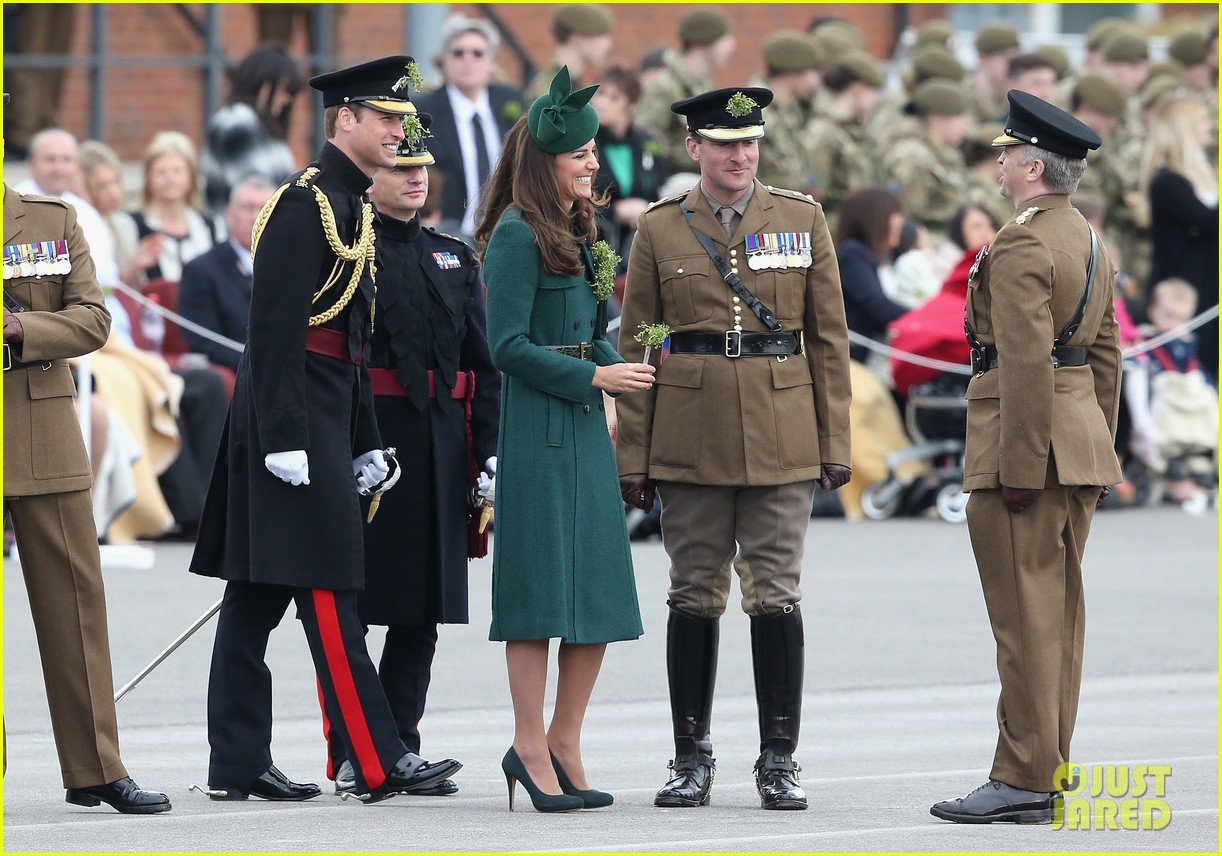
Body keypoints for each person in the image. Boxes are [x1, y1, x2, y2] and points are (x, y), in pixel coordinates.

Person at [187, 56, 460, 803]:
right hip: (289, 416)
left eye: (403, 121)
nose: (399, 133)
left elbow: (354, 339)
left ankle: (237, 761)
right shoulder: (302, 203)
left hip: (328, 411)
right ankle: (377, 758)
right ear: (346, 120)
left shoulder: (353, 206)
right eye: (388, 119)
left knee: (255, 594)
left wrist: (365, 437)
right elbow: (272, 330)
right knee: (333, 587)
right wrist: (283, 436)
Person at [616, 86, 852, 811]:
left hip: (782, 428)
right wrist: (634, 453)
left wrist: (834, 441)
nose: (739, 156)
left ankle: (779, 757)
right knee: (692, 591)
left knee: (776, 592)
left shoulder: (801, 217)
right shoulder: (662, 226)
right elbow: (642, 339)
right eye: (723, 144)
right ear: (695, 148)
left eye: (748, 143)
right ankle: (690, 755)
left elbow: (829, 339)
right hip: (690, 430)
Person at [931, 91, 1122, 824]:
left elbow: (1023, 363)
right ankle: (1047, 768)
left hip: (1026, 450)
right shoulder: (1089, 239)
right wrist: (1096, 449)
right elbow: (1104, 359)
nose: (1001, 164)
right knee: (1056, 619)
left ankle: (1023, 776)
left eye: (1009, 153)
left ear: (1034, 166)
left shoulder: (1021, 242)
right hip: (1074, 447)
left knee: (1023, 622)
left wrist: (1018, 467)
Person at [477, 66, 648, 812]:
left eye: (593, 152)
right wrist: (594, 378)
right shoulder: (516, 235)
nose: (592, 164)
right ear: (546, 161)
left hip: (581, 426)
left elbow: (586, 332)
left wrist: (624, 369)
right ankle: (527, 743)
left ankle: (565, 740)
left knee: (597, 591)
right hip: (538, 430)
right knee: (538, 595)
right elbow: (506, 346)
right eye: (579, 154)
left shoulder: (581, 229)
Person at [326, 111, 501, 798]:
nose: (415, 178)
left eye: (422, 168)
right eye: (402, 167)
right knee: (359, 605)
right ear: (372, 175)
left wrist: (490, 453)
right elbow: (342, 360)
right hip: (374, 438)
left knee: (423, 605)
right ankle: (354, 751)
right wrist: (354, 443)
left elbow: (483, 365)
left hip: (441, 440)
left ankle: (402, 743)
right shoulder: (349, 252)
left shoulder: (453, 255)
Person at [3, 114, 171, 813]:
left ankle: (96, 767)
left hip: (40, 425)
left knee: (75, 606)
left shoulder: (50, 220)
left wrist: (20, 325)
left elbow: (93, 319)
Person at [415, 14, 525, 239]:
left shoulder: (511, 102)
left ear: (491, 63)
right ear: (445, 61)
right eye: (458, 53)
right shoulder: (424, 110)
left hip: (504, 232)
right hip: (447, 232)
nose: (468, 60)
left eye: (477, 53)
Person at [1140, 91, 1217, 383]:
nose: (1210, 126)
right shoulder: (1167, 182)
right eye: (1203, 120)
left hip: (1208, 287)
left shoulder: (1201, 175)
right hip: (1185, 292)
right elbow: (1209, 222)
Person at [178, 177, 276, 372]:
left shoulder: (294, 264)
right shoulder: (201, 270)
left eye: (265, 208)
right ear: (230, 215)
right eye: (248, 208)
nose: (256, 217)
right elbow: (206, 342)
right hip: (242, 372)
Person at [201, 42, 303, 216]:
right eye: (285, 89)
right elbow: (258, 191)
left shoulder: (261, 128)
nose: (287, 99)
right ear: (264, 85)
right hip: (242, 227)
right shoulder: (237, 123)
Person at [15, 128, 122, 289]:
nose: (59, 168)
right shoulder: (11, 206)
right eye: (50, 159)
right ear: (31, 163)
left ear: (76, 166)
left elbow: (107, 275)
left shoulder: (86, 211)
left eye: (66, 160)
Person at [634, 7, 736, 173]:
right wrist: (667, 160)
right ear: (704, 39)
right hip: (675, 177)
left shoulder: (703, 86)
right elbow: (645, 137)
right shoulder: (665, 85)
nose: (732, 45)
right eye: (724, 37)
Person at [592, 66, 670, 269]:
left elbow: (660, 189)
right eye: (600, 94)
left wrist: (645, 208)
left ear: (631, 106)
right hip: (598, 238)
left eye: (614, 98)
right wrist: (615, 210)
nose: (602, 103)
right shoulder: (586, 143)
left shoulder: (647, 143)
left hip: (641, 241)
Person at [129, 132, 222, 286]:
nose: (169, 177)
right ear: (148, 178)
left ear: (191, 177)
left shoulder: (212, 227)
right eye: (161, 171)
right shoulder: (131, 225)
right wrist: (135, 267)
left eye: (177, 170)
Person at [881, 80, 970, 238]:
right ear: (935, 117)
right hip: (924, 242)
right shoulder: (911, 156)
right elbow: (907, 216)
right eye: (957, 117)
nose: (964, 125)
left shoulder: (948, 153)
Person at [805, 50, 884, 222]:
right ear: (860, 87)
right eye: (873, 91)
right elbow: (813, 195)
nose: (876, 99)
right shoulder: (825, 129)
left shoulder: (855, 130)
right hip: (833, 225)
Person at [834, 187, 908, 364]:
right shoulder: (853, 253)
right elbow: (877, 305)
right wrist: (921, 320)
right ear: (874, 218)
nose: (900, 222)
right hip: (856, 361)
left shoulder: (871, 256)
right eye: (895, 214)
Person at [77, 140, 162, 291]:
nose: (113, 192)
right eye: (102, 185)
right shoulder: (82, 227)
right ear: (84, 187)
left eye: (116, 181)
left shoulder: (126, 223)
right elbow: (100, 290)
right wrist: (135, 266)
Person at [525, 4, 616, 103]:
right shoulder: (552, 92)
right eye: (601, 35)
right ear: (578, 37)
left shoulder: (569, 85)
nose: (609, 45)